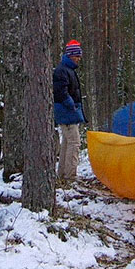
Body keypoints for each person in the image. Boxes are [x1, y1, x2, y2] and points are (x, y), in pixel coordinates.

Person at [53, 40, 86, 180]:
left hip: (68, 111)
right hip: (67, 112)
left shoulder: (67, 70)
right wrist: (71, 104)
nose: (79, 59)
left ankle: (62, 174)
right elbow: (61, 91)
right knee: (74, 142)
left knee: (67, 143)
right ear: (71, 55)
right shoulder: (63, 70)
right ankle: (70, 175)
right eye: (77, 56)